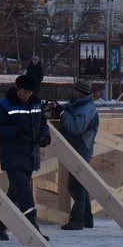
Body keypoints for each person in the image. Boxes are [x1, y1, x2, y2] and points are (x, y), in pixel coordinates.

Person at [0, 75, 51, 241]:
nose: (28, 95)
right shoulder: (3, 106)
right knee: (24, 193)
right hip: (12, 155)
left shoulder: (36, 103)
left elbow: (44, 124)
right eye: (25, 92)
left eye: (30, 92)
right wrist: (16, 132)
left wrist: (45, 137)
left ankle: (1, 226)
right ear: (17, 89)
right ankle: (33, 229)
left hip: (30, 154)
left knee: (15, 193)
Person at [51, 78, 99, 231]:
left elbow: (76, 128)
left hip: (81, 149)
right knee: (81, 183)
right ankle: (86, 218)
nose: (73, 91)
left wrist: (62, 112)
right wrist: (58, 108)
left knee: (76, 185)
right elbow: (69, 112)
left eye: (75, 90)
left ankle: (78, 219)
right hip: (78, 147)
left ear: (82, 92)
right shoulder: (78, 104)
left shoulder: (86, 109)